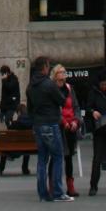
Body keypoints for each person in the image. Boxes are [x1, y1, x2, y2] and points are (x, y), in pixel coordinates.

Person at [27, 55, 73, 202]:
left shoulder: (30, 86)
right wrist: (65, 91)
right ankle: (58, 192)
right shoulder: (48, 84)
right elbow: (62, 100)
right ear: (45, 67)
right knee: (58, 156)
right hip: (51, 123)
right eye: (48, 66)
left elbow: (29, 109)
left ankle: (43, 193)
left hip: (38, 124)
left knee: (42, 159)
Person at [53, 64, 81, 197]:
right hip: (59, 127)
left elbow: (75, 106)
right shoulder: (52, 89)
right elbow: (54, 109)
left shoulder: (70, 89)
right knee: (55, 157)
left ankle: (70, 186)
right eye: (61, 72)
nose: (64, 75)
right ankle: (53, 186)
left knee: (69, 157)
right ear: (55, 75)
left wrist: (76, 121)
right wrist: (63, 122)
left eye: (65, 72)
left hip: (71, 126)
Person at [0, 102, 33, 176]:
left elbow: (9, 131)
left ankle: (0, 169)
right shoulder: (32, 123)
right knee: (27, 144)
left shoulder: (15, 124)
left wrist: (12, 121)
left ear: (19, 112)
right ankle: (25, 168)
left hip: (14, 149)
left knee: (4, 146)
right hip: (30, 148)